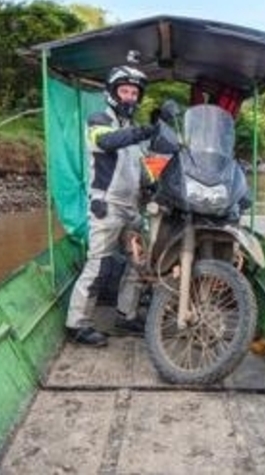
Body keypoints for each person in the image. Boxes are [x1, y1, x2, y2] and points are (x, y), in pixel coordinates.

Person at [65, 63, 156, 347]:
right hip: (106, 206)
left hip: (131, 208)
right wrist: (144, 131)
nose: (129, 96)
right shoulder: (99, 120)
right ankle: (77, 324)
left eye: (134, 93)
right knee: (100, 265)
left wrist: (156, 186)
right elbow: (105, 142)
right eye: (125, 90)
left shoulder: (132, 132)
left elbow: (141, 171)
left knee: (140, 262)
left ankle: (126, 317)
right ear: (113, 93)